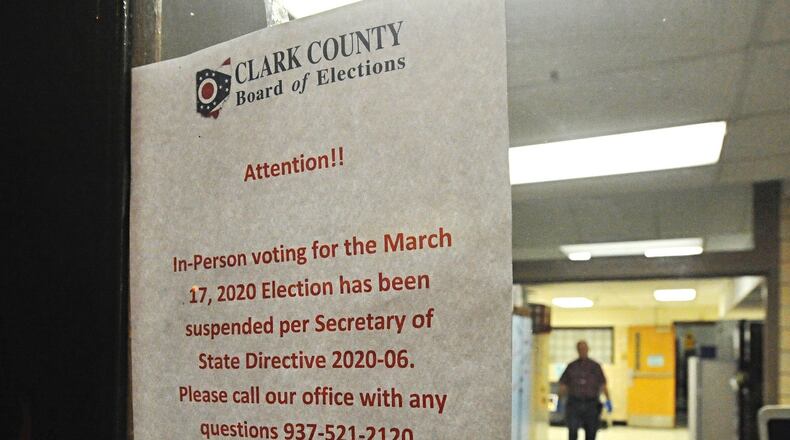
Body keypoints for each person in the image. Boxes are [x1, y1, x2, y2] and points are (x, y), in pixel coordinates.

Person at [558, 340, 612, 440]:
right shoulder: (571, 366)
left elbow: (603, 384)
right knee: (572, 432)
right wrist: (560, 400)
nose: (582, 351)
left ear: (588, 349)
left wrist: (608, 400)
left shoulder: (595, 366)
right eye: (580, 349)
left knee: (591, 433)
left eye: (584, 348)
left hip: (591, 405)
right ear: (577, 350)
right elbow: (563, 384)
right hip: (574, 404)